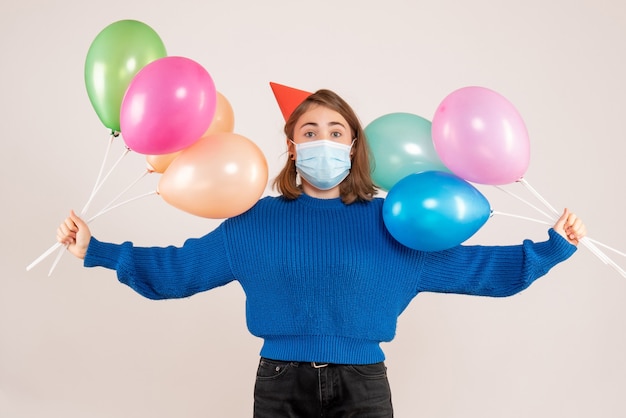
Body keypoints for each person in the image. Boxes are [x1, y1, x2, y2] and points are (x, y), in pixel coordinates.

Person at [57, 87, 586, 418]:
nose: (323, 141)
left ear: (354, 145)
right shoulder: (253, 220)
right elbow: (181, 269)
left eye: (336, 131)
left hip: (364, 388)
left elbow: (475, 269)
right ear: (291, 145)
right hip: (279, 383)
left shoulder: (394, 222)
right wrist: (97, 250)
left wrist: (551, 248)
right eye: (310, 131)